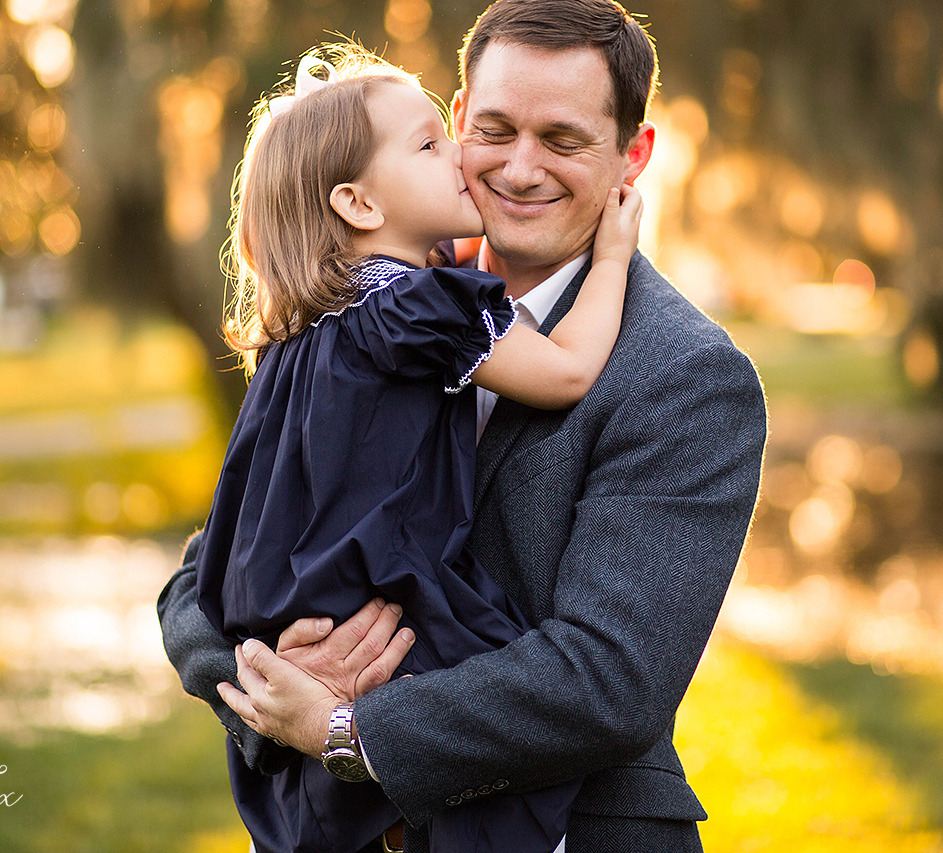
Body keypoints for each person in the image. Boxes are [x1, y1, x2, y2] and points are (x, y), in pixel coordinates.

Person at [158, 0, 767, 853]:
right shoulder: (352, 313)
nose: (519, 169)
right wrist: (269, 689)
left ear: (633, 158)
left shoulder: (687, 379)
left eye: (562, 140)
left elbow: (608, 682)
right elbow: (202, 574)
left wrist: (342, 730)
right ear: (456, 120)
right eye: (494, 130)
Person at [190, 43, 643, 853]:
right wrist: (613, 258)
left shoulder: (305, 328)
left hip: (292, 597)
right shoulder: (419, 310)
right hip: (390, 598)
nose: (465, 164)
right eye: (434, 146)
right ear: (360, 205)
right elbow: (569, 371)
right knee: (492, 707)